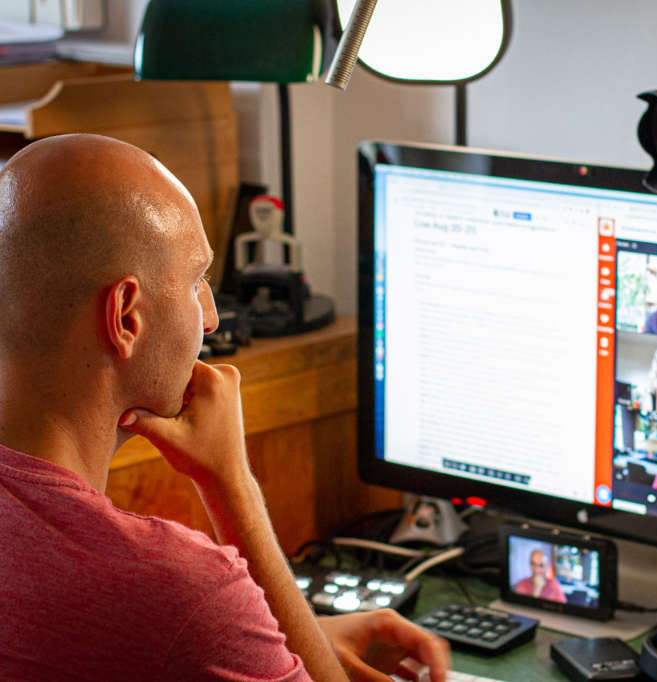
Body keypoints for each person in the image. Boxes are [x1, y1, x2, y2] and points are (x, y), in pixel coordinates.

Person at [0, 134, 449, 682]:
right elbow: (179, 624)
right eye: (197, 281)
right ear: (125, 318)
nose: (210, 318)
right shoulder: (177, 591)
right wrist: (230, 483)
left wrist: (277, 639)